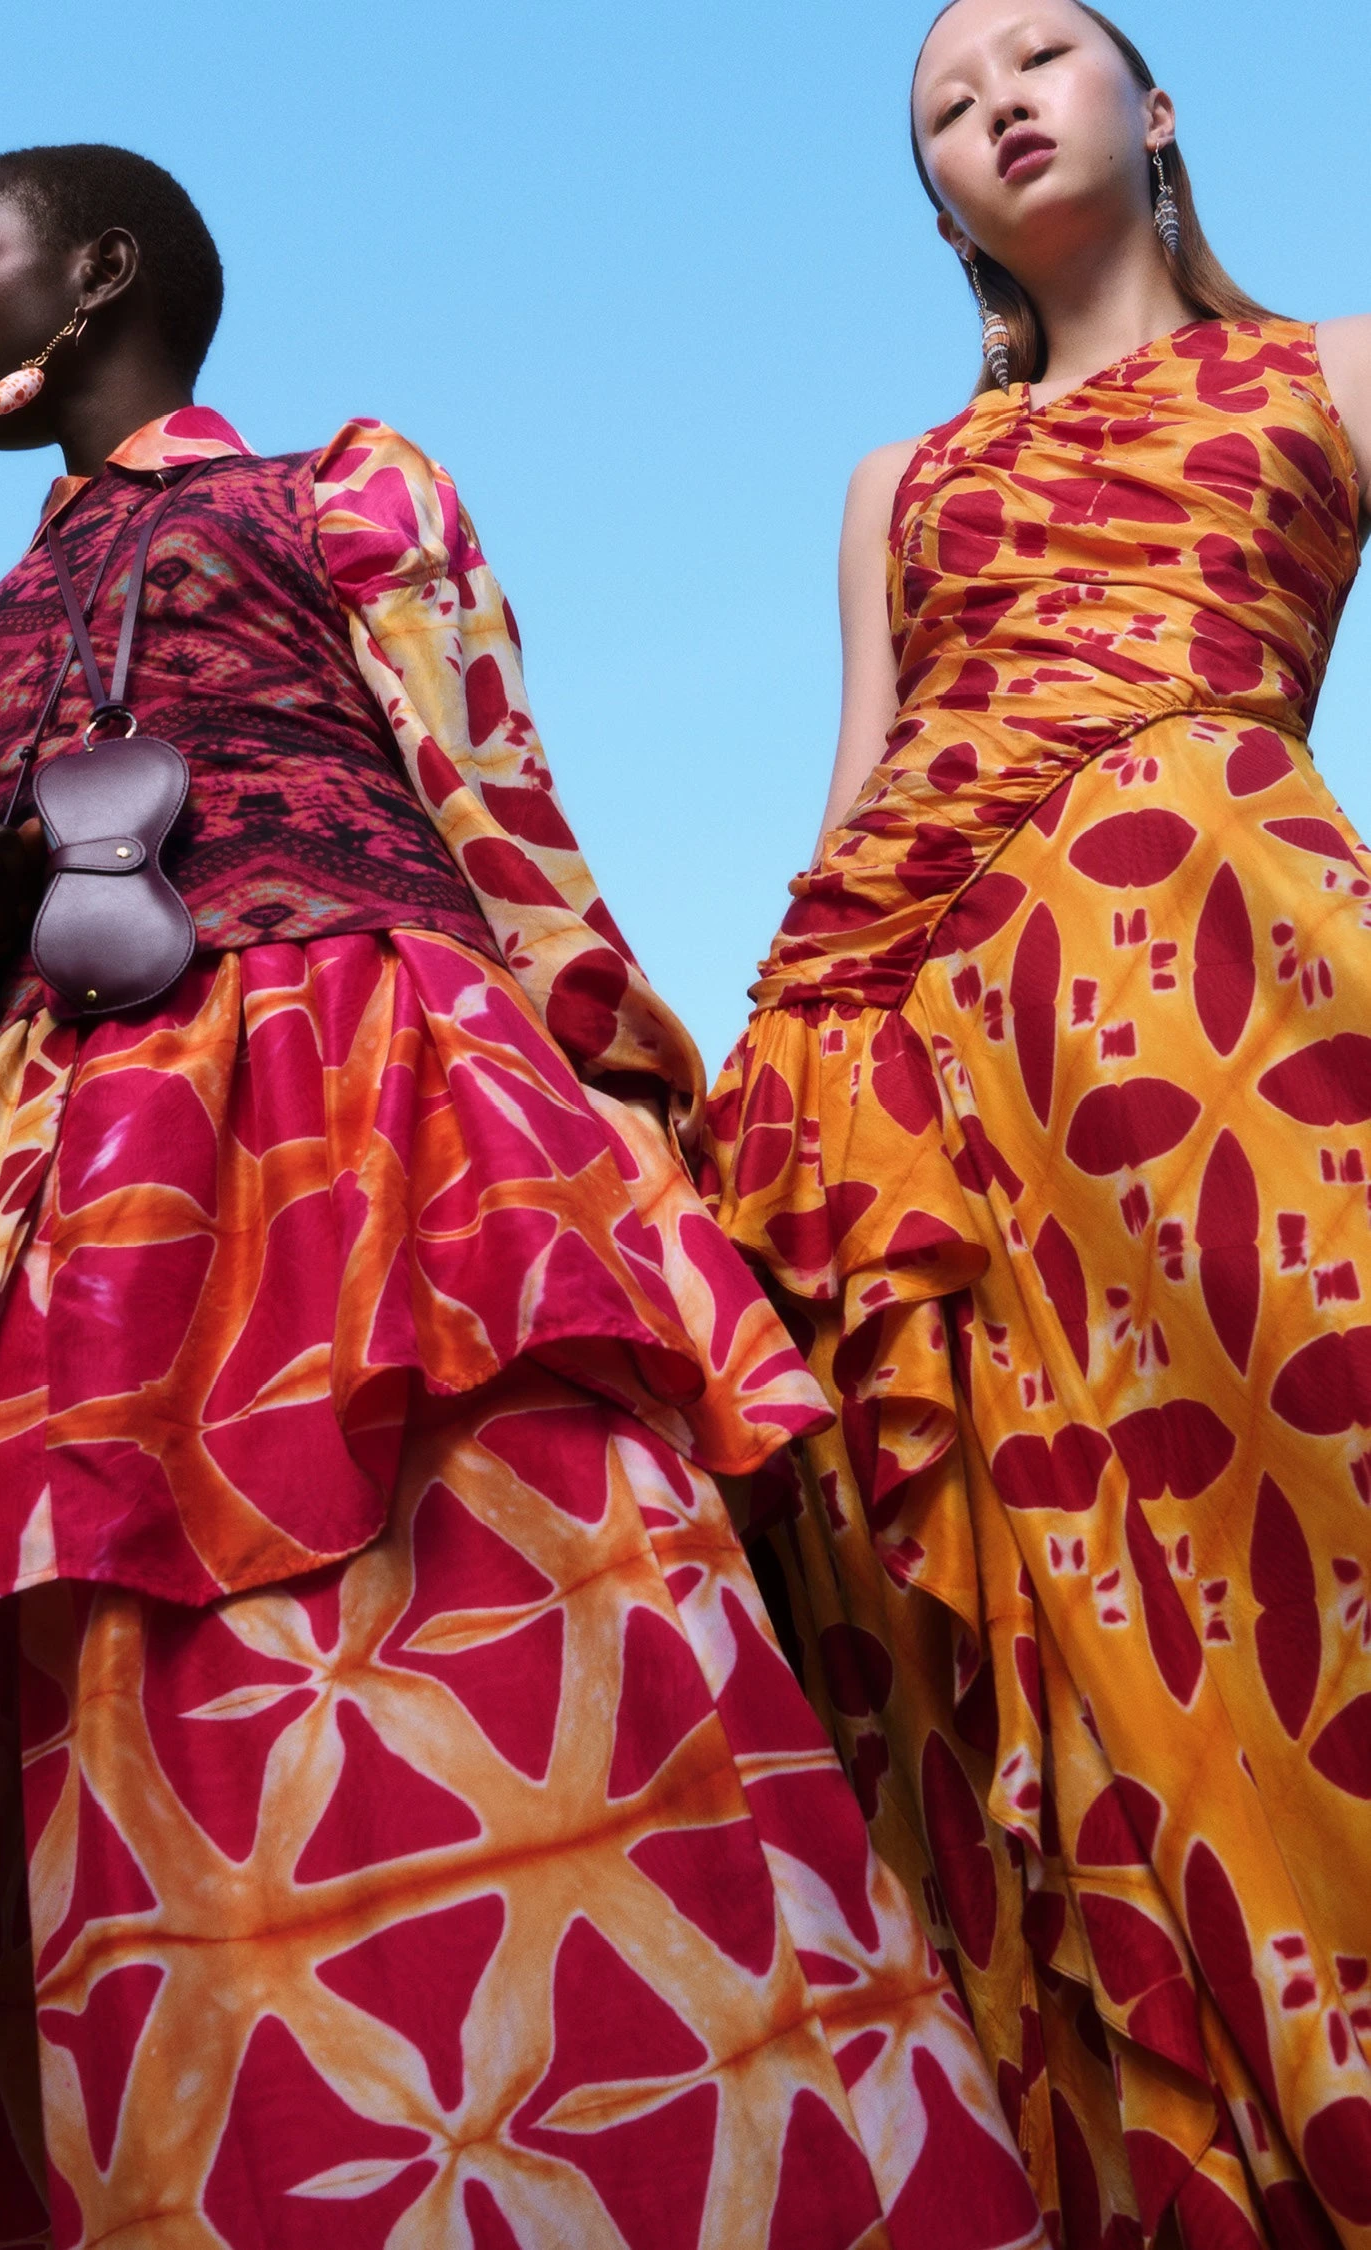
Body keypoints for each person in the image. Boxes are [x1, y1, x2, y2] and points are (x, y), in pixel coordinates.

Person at [0, 143, 1049, 2250]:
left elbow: (497, 808)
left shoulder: (341, 494)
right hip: (82, 1204)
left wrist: (628, 1112)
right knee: (157, 1737)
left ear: (100, 272)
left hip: (393, 1119)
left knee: (543, 1631)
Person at [701, 3, 1371, 2242]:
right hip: (929, 1057)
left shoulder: (1334, 368)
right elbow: (857, 794)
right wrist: (770, 1117)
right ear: (938, 200)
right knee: (1049, 1624)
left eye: (1036, 57)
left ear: (1153, 109)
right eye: (943, 105)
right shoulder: (899, 481)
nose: (993, 101)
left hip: (1232, 982)